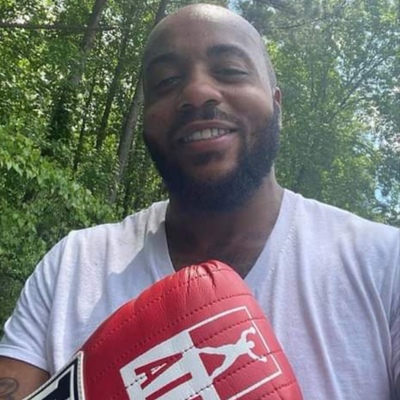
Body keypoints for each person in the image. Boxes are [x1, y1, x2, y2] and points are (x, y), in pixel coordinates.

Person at [0, 3, 398, 399]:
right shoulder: (73, 265)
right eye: (166, 81)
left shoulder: (384, 265)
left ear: (277, 104)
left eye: (230, 70)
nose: (196, 92)